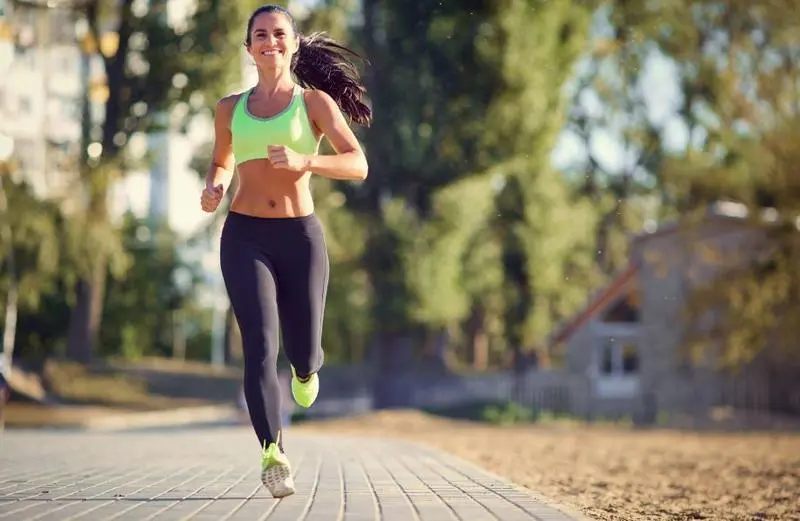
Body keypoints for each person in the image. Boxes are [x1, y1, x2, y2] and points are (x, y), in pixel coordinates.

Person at [199, 4, 371, 499]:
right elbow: (220, 160)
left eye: (279, 34)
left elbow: (357, 163)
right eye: (260, 35)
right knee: (259, 344)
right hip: (244, 236)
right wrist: (214, 186)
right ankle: (272, 451)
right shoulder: (229, 109)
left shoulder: (313, 103)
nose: (269, 41)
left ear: (293, 44)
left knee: (303, 348)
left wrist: (306, 160)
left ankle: (306, 367)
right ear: (248, 47)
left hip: (300, 237)